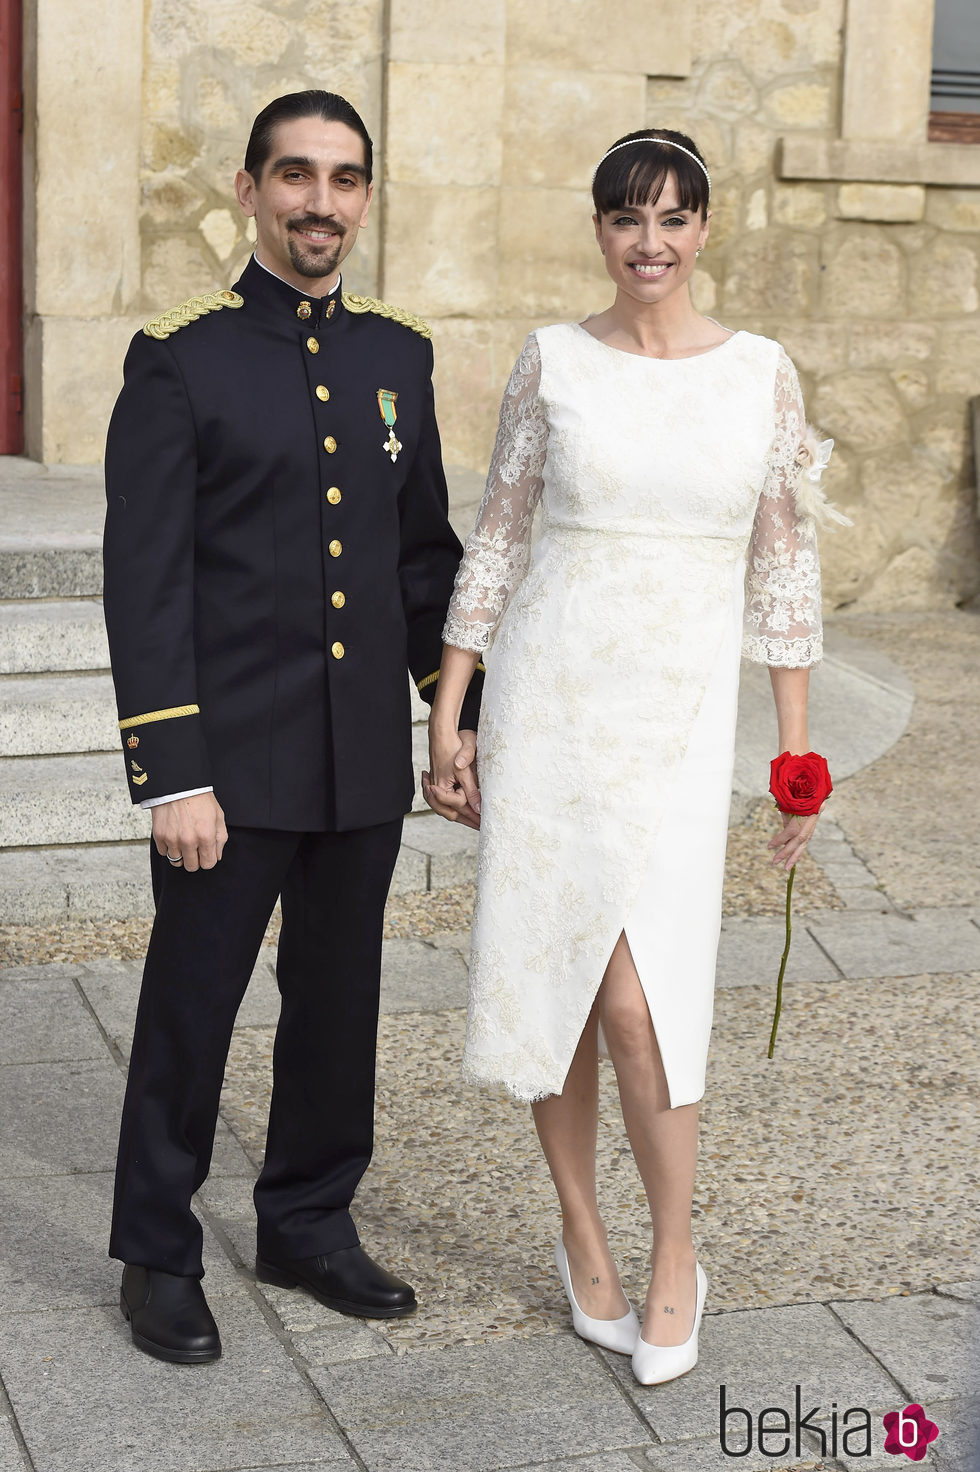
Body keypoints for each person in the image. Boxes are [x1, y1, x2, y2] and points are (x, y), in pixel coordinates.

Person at [424, 129, 841, 1386]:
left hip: (673, 727)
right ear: (598, 231)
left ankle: (675, 1252)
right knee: (562, 988)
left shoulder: (760, 374)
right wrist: (450, 709)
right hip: (547, 707)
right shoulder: (550, 360)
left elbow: (781, 563)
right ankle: (581, 1231)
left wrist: (795, 750)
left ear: (704, 228)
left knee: (641, 1004)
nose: (646, 241)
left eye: (669, 217)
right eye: (623, 218)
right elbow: (496, 533)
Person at [102, 89, 483, 1364]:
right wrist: (174, 771)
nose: (322, 202)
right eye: (297, 177)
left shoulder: (397, 356)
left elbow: (421, 557)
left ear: (365, 196)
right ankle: (156, 1247)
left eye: (345, 179)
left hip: (355, 756)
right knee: (192, 1004)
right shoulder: (180, 355)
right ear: (249, 192)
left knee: (339, 1001)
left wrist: (457, 709)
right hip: (231, 760)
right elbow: (144, 580)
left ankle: (308, 1220)